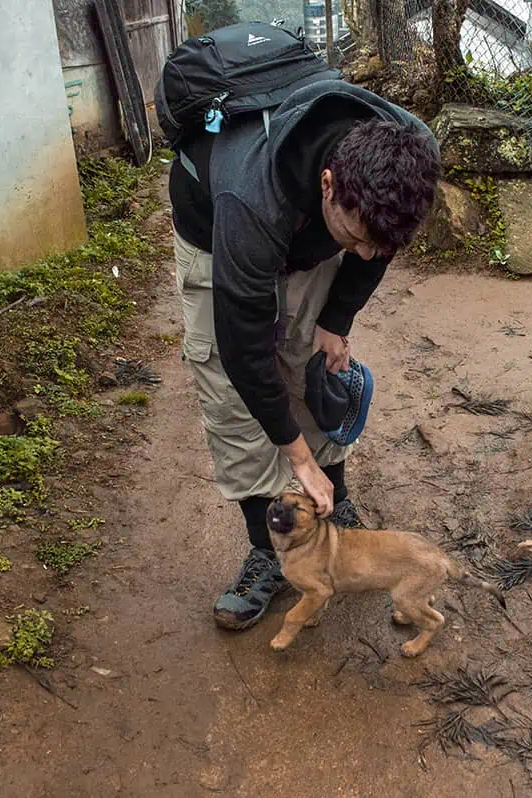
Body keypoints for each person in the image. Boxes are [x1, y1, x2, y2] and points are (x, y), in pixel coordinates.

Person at [169, 76, 441, 631]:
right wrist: (295, 457)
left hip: (309, 226)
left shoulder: (409, 160)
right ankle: (270, 553)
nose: (367, 254)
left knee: (311, 371)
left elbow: (376, 243)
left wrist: (336, 321)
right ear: (328, 183)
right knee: (233, 396)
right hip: (216, 233)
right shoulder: (248, 200)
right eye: (358, 237)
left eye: (380, 246)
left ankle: (331, 502)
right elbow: (242, 352)